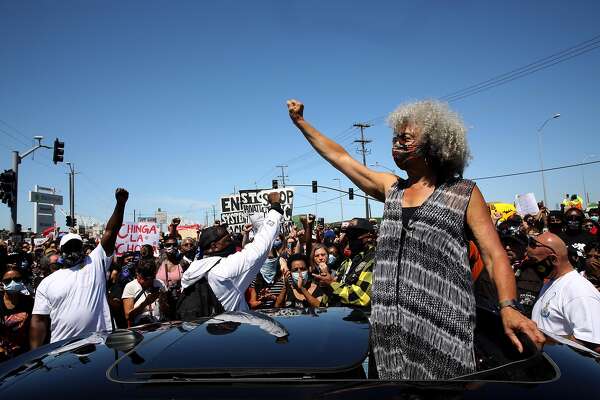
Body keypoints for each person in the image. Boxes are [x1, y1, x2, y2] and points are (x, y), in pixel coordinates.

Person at [287, 98, 544, 380]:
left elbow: (494, 256)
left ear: (434, 144)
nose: (396, 143)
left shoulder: (464, 193)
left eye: (405, 138)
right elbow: (341, 157)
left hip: (443, 334)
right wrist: (301, 123)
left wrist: (509, 307)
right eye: (395, 137)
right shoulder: (391, 188)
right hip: (389, 338)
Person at [29, 188, 128, 348]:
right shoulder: (47, 283)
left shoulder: (95, 262)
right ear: (61, 251)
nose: (73, 250)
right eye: (69, 248)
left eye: (77, 246)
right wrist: (35, 356)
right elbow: (39, 320)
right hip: (62, 351)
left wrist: (120, 204)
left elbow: (111, 231)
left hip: (100, 345)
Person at [178, 192, 283, 318]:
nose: (232, 242)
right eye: (227, 240)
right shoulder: (226, 269)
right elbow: (263, 243)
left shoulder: (193, 269)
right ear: (213, 246)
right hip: (231, 333)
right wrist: (275, 206)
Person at [530, 233, 600, 352]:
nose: (530, 264)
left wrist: (545, 340)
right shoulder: (552, 281)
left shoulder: (579, 291)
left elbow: (593, 343)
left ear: (553, 259)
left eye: (534, 260)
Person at [314, 218, 375, 308]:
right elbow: (335, 289)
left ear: (369, 235)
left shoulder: (373, 260)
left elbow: (362, 297)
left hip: (359, 319)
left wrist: (331, 283)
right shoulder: (347, 262)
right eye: (348, 234)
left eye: (355, 234)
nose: (350, 238)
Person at [1, 266, 34, 361]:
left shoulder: (29, 301)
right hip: (5, 357)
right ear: (2, 282)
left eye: (17, 279)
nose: (13, 283)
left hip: (27, 354)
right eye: (7, 281)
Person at [122, 259, 168, 326]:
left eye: (147, 279)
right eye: (139, 276)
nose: (140, 280)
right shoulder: (130, 286)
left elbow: (166, 311)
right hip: (140, 327)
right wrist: (145, 303)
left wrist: (163, 302)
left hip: (159, 325)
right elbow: (128, 316)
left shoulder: (160, 284)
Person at [560, 207, 594, 272]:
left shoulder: (590, 236)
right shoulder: (559, 238)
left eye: (577, 218)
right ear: (565, 220)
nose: (573, 220)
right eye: (570, 218)